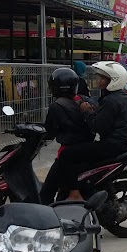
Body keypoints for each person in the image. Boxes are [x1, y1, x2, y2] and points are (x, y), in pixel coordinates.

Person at [57, 61, 127, 201]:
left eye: (103, 78)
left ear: (113, 81)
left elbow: (97, 127)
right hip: (125, 143)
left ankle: (74, 194)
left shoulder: (110, 100)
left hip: (111, 145)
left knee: (66, 155)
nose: (99, 80)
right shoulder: (124, 97)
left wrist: (86, 111)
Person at [40, 68, 96, 205]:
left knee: (47, 191)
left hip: (69, 153)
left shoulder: (57, 106)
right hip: (87, 150)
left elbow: (49, 132)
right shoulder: (85, 101)